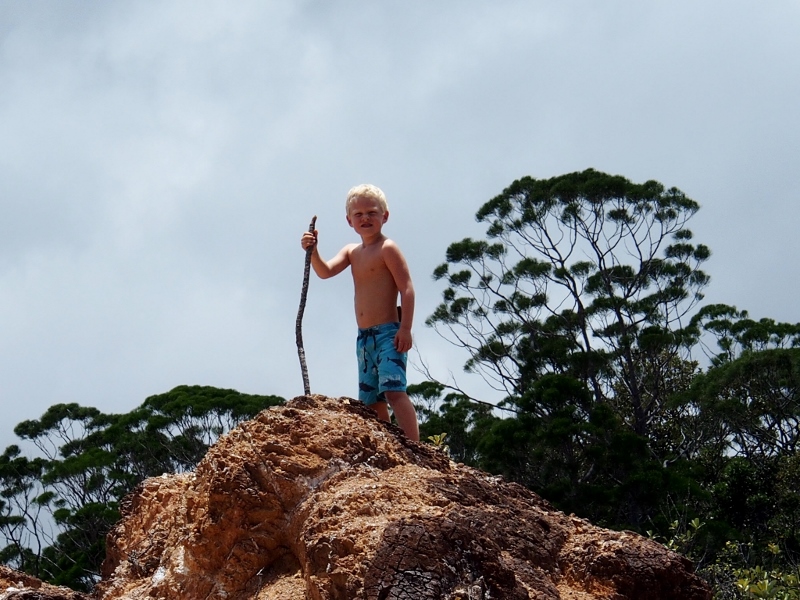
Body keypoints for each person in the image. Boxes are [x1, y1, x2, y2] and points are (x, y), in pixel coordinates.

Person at [300, 184, 419, 441]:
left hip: (389, 333)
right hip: (365, 338)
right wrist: (313, 251)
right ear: (349, 220)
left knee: (394, 391)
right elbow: (325, 271)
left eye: (372, 212)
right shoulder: (351, 252)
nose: (365, 218)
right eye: (359, 214)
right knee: (371, 399)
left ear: (384, 216)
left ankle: (415, 448)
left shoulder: (388, 248)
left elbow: (407, 288)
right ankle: (390, 444)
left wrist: (406, 328)